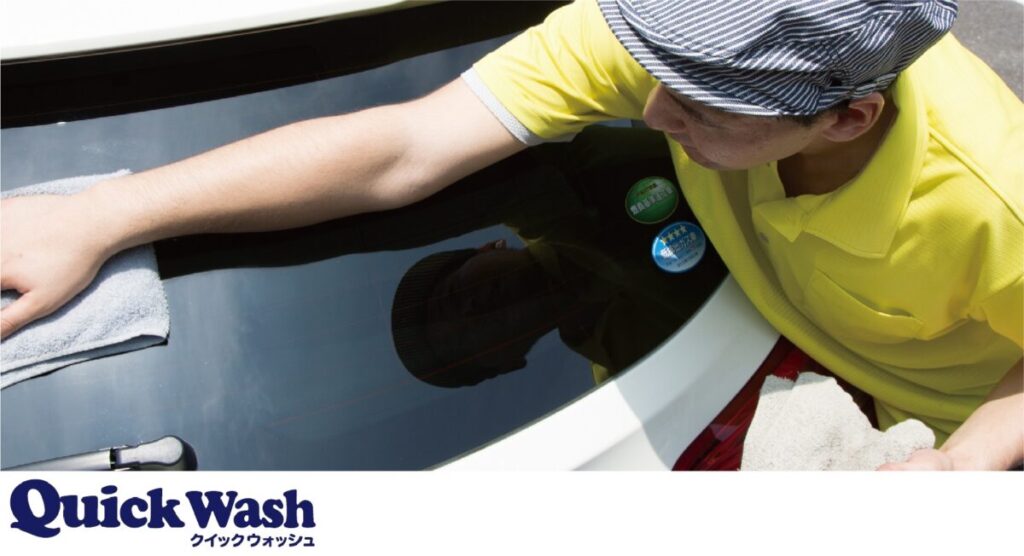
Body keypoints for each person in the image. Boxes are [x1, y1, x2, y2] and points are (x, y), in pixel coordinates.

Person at [1, 0, 1020, 470]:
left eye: (701, 107)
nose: (649, 111)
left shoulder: (993, 194)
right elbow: (403, 146)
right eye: (652, 66)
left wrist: (970, 463)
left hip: (946, 422)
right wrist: (106, 213)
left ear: (847, 119)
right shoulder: (657, 38)